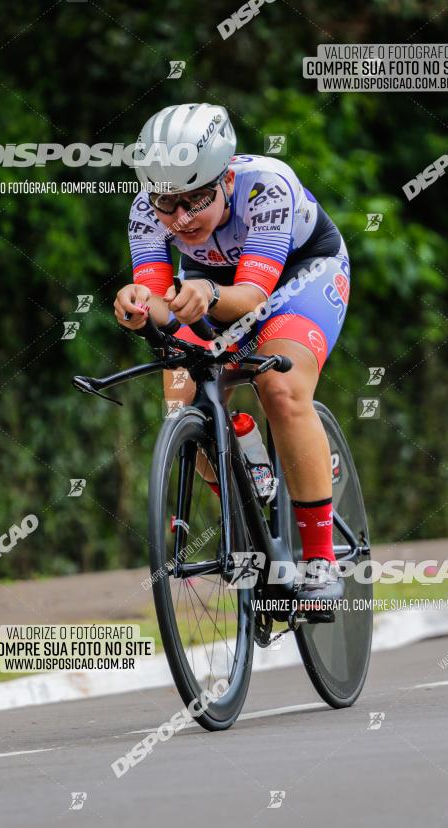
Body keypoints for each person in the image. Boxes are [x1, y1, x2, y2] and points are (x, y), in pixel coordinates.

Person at [114, 103, 350, 602]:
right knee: (183, 400)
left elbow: (254, 300)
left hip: (296, 277)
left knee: (280, 389)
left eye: (196, 200)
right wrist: (136, 304)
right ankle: (245, 472)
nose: (180, 219)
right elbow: (157, 300)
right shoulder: (144, 209)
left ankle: (321, 561)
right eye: (166, 203)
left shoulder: (267, 187)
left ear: (223, 180)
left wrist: (207, 295)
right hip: (212, 289)